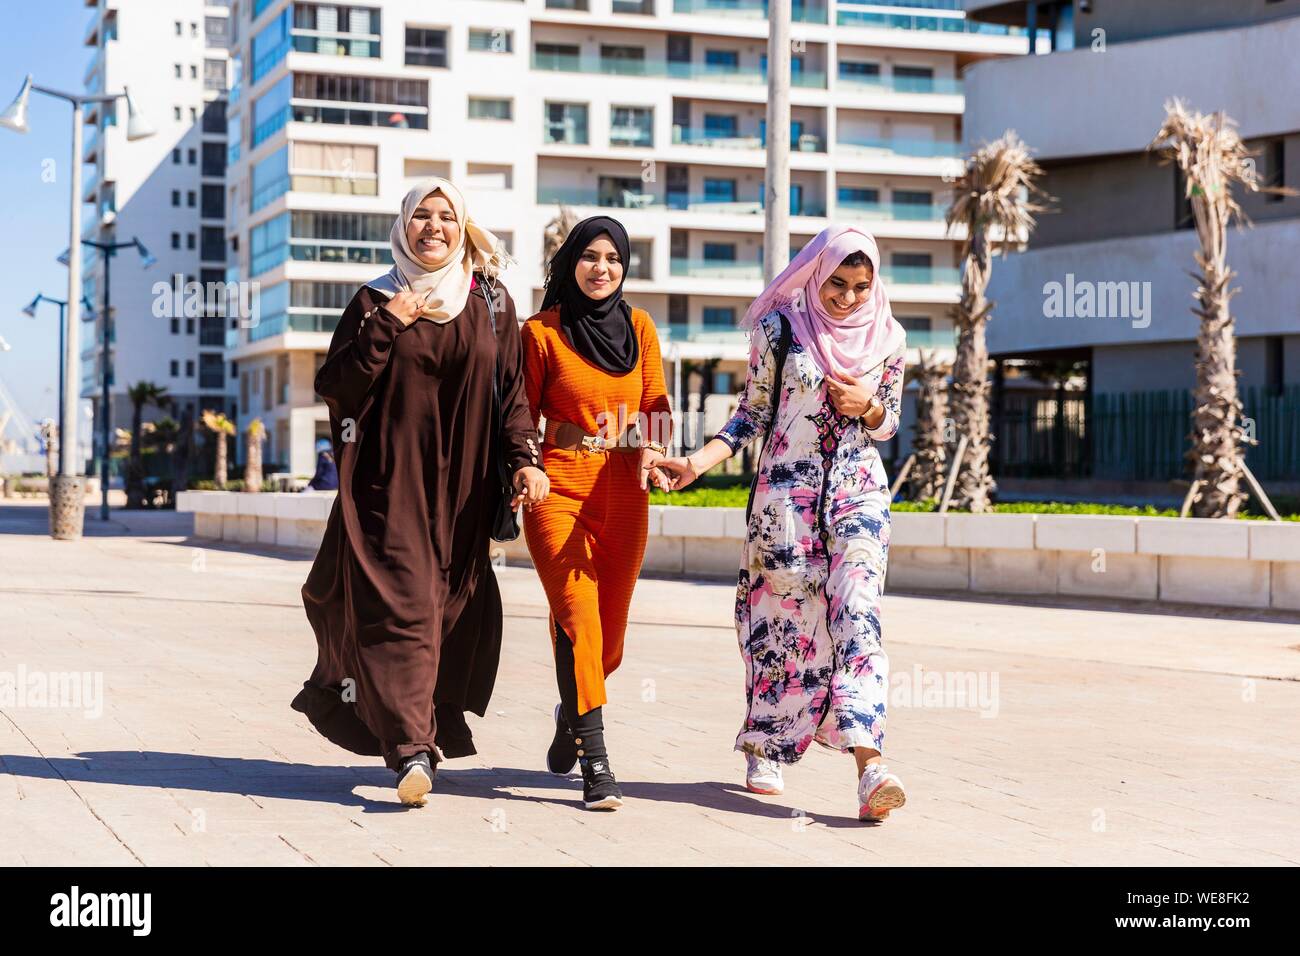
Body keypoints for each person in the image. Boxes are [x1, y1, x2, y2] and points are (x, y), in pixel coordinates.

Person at [292, 178, 549, 806]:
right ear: (403, 225)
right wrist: (386, 325)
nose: (432, 227)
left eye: (445, 217)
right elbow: (339, 387)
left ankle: (419, 726)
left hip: (465, 490)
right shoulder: (375, 299)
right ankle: (412, 751)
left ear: (462, 228)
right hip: (389, 483)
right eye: (421, 217)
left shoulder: (490, 301)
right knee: (402, 606)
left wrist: (524, 461)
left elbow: (511, 396)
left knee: (443, 610)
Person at [657, 225, 909, 822]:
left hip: (858, 493)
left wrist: (868, 407)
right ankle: (767, 739)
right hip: (785, 501)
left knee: (859, 613)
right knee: (783, 622)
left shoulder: (888, 339)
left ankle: (869, 766)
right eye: (838, 285)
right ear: (817, 274)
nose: (847, 298)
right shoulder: (781, 328)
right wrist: (695, 463)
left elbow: (889, 421)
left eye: (860, 287)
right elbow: (752, 415)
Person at [521, 216, 672, 811]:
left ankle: (571, 715)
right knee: (577, 613)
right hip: (557, 489)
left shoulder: (640, 327)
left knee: (607, 640)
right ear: (570, 263)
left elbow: (657, 409)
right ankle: (597, 760)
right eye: (589, 256)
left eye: (612, 257)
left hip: (624, 493)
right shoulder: (541, 333)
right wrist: (524, 467)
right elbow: (519, 417)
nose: (601, 267)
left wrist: (655, 452)